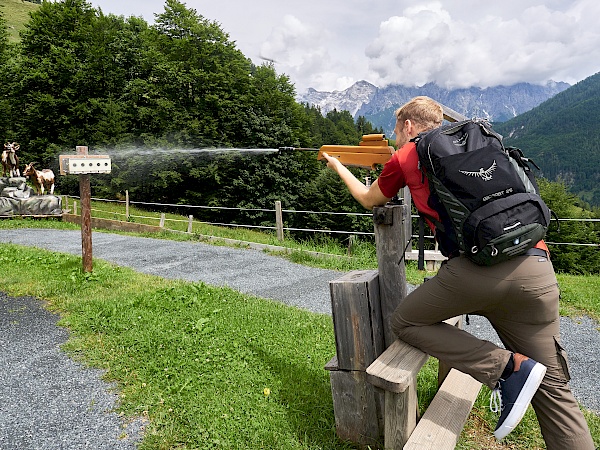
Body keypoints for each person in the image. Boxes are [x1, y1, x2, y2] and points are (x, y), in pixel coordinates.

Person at [322, 96, 595, 449]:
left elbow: (368, 198)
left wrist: (337, 165)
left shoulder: (407, 156)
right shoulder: (480, 142)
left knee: (406, 321)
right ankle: (524, 378)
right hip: (536, 269)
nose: (394, 139)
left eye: (395, 130)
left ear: (408, 126)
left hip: (476, 273)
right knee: (556, 394)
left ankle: (507, 369)